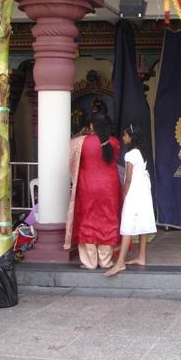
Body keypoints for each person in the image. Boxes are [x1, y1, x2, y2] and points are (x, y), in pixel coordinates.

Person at [65, 113, 121, 269]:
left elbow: (71, 162)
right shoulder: (115, 142)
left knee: (88, 219)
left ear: (91, 126)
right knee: (108, 219)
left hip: (87, 186)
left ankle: (90, 262)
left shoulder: (80, 143)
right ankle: (105, 261)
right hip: (109, 187)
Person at [106, 124, 156, 277]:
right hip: (144, 192)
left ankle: (120, 263)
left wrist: (124, 195)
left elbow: (127, 179)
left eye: (125, 135)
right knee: (141, 222)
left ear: (131, 137)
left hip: (134, 191)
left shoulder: (130, 154)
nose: (123, 137)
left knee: (127, 223)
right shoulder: (142, 152)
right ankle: (141, 257)